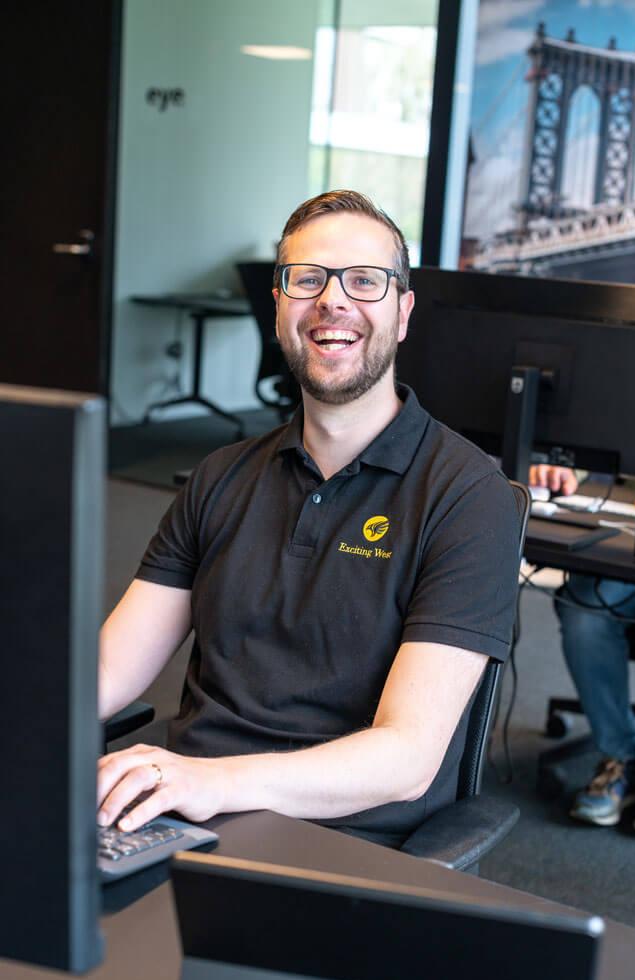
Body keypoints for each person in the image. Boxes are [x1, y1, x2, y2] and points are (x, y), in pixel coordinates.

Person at [97, 190, 522, 848]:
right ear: (278, 307)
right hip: (181, 817)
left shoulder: (467, 496)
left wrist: (211, 782)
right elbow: (107, 672)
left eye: (364, 281)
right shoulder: (219, 477)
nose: (333, 300)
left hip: (341, 844)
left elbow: (407, 758)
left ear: (403, 312)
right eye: (307, 278)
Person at [529, 464, 635, 836]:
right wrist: (568, 468)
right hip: (628, 516)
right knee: (583, 611)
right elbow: (597, 441)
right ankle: (620, 759)